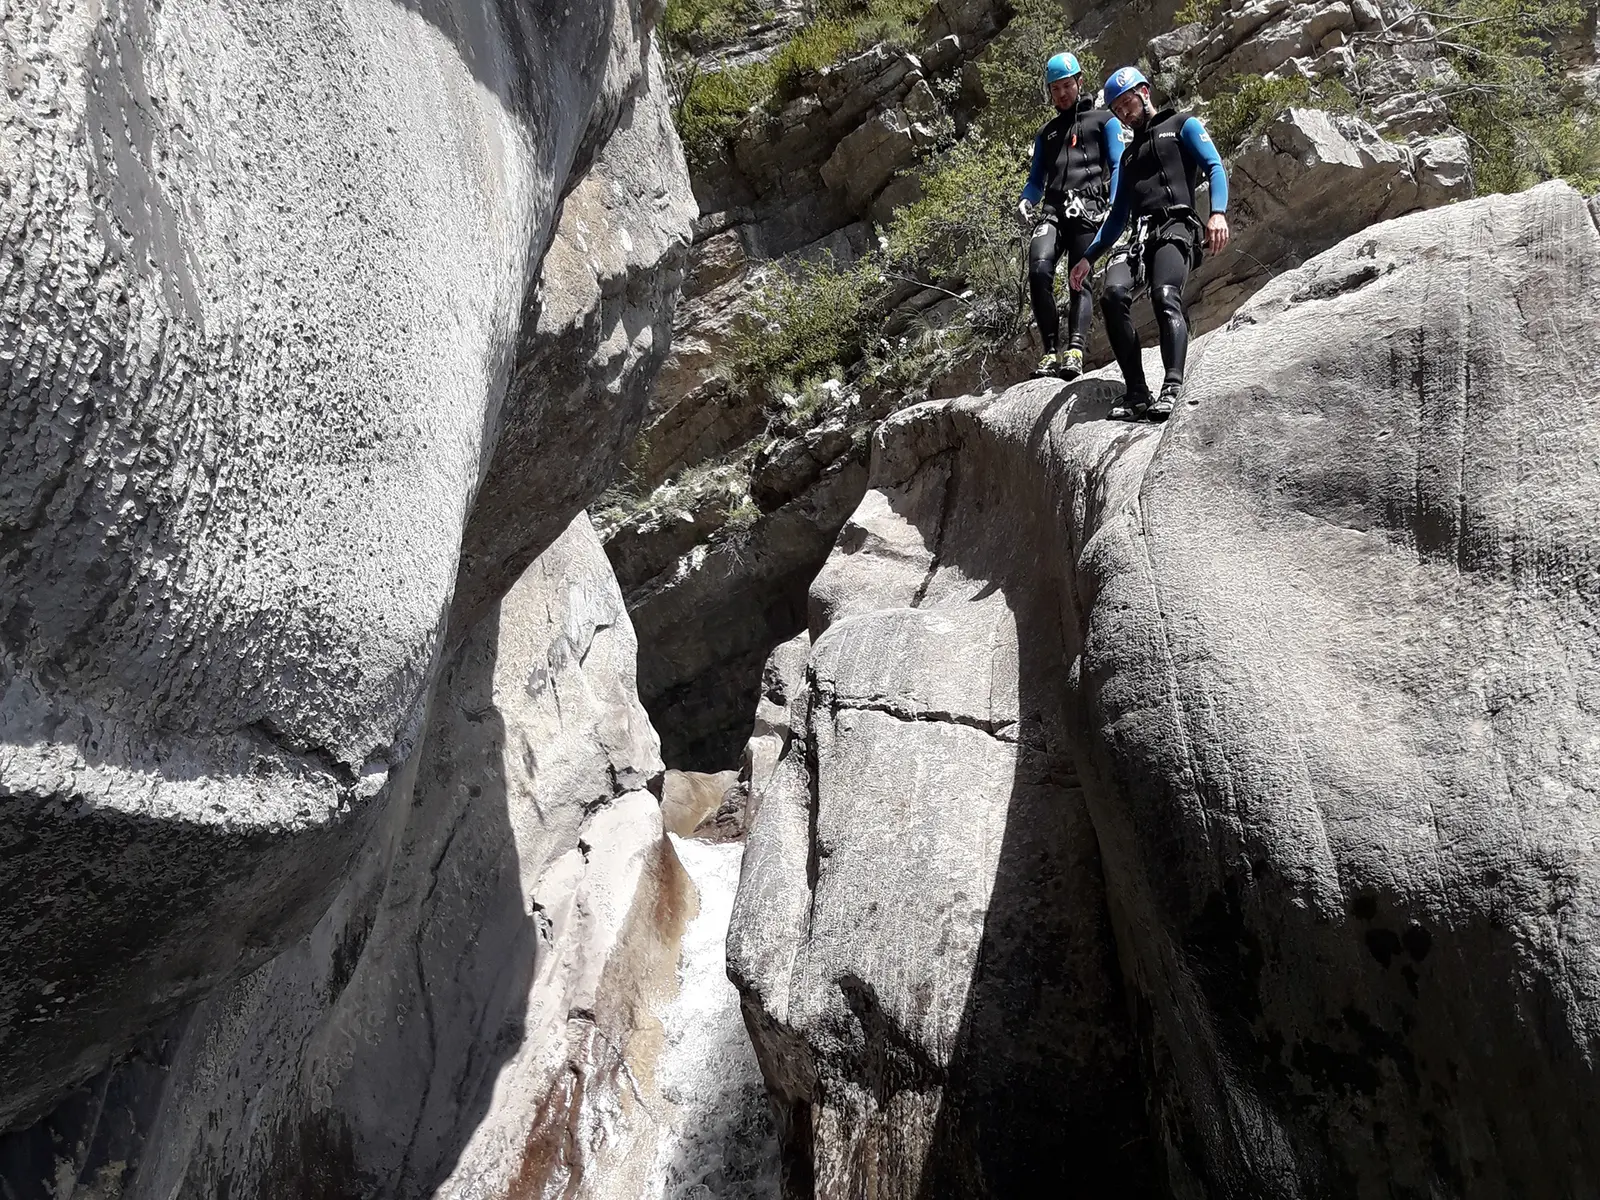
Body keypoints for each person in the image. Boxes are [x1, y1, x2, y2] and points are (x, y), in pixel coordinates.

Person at [1067, 65, 1230, 421]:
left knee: (1164, 295)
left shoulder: (1183, 125)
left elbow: (1215, 166)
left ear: (1145, 92)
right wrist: (1088, 257)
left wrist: (1217, 213)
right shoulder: (1127, 159)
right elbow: (1116, 217)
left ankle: (1172, 386)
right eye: (1118, 109)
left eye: (1128, 103)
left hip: (1177, 225)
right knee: (1112, 296)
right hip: (1141, 236)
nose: (1126, 112)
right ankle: (1137, 393)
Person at [1017, 52, 1128, 380]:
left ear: (1080, 82)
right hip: (1052, 210)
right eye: (1055, 89)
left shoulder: (1104, 120)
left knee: (1078, 279)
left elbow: (1119, 163)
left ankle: (1076, 350)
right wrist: (1026, 200)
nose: (1062, 94)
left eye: (1067, 85)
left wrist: (1114, 203)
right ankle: (1050, 350)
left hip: (1088, 207)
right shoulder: (1046, 134)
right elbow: (1036, 180)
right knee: (1038, 271)